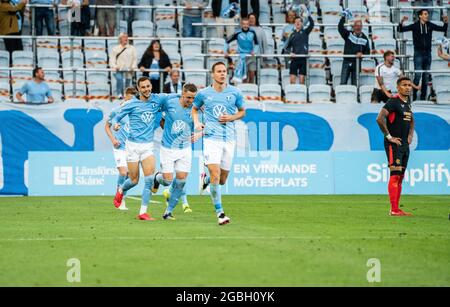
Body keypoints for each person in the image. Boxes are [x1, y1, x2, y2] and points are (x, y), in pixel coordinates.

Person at [111, 77, 178, 221]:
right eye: (143, 87)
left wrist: (195, 98)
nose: (147, 89)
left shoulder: (157, 99)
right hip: (132, 146)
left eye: (148, 86)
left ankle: (143, 212)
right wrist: (116, 124)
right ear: (139, 89)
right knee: (134, 180)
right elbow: (117, 117)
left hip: (147, 146)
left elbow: (175, 95)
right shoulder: (131, 104)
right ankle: (121, 190)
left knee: (148, 179)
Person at [192, 62, 246, 225]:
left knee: (221, 180)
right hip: (211, 139)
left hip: (229, 139)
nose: (222, 74)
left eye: (224, 71)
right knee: (216, 174)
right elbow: (194, 109)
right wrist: (196, 123)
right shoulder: (203, 94)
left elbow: (243, 111)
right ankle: (220, 213)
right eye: (219, 71)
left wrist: (231, 117)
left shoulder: (235, 92)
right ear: (213, 74)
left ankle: (206, 181)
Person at [151, 83, 203, 219]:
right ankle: (157, 178)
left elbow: (207, 124)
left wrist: (199, 134)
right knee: (167, 181)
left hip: (185, 149)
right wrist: (169, 131)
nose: (191, 101)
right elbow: (161, 121)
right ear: (182, 94)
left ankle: (168, 211)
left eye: (193, 98)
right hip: (168, 148)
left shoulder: (195, 109)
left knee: (181, 181)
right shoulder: (171, 103)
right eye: (188, 98)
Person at [376, 77, 415, 216]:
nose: (408, 87)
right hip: (394, 144)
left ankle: (397, 209)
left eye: (409, 85)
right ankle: (393, 209)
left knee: (400, 177)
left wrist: (410, 135)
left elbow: (411, 120)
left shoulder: (407, 103)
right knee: (395, 176)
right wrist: (389, 137)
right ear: (398, 87)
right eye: (404, 85)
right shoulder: (393, 102)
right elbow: (379, 119)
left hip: (404, 145)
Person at [398, 10, 449, 100]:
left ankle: (422, 98)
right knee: (418, 75)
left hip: (428, 53)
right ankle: (413, 96)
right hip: (418, 53)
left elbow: (443, 29)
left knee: (426, 76)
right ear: (420, 16)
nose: (427, 15)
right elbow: (401, 29)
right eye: (425, 14)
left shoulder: (430, 24)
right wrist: (401, 22)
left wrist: (445, 22)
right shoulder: (415, 25)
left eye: (427, 14)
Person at [104, 87, 137, 211]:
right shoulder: (116, 111)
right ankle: (120, 197)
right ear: (126, 96)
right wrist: (113, 139)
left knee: (130, 176)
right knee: (123, 172)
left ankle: (121, 196)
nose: (131, 102)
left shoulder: (134, 112)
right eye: (130, 98)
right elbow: (107, 126)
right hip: (119, 147)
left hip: (132, 147)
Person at [338, 11, 371, 86]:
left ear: (362, 27)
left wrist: (362, 54)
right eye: (356, 26)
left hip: (357, 63)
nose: (358, 27)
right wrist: (343, 18)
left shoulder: (365, 38)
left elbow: (368, 52)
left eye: (360, 26)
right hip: (346, 61)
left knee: (355, 84)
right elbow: (340, 28)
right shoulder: (348, 34)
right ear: (353, 26)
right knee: (343, 82)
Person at [225, 17, 259, 83]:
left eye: (247, 24)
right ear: (241, 25)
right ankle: (244, 90)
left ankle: (251, 90)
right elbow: (226, 41)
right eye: (244, 24)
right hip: (241, 56)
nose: (245, 26)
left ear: (249, 24)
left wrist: (254, 51)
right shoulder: (237, 33)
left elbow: (257, 44)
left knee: (252, 73)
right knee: (244, 75)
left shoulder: (253, 32)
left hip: (251, 56)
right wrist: (225, 51)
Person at [285, 14, 314, 85]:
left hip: (303, 59)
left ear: (302, 23)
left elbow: (312, 24)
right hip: (294, 59)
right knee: (292, 81)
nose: (297, 23)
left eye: (299, 21)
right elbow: (287, 47)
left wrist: (308, 15)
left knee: (302, 82)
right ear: (294, 24)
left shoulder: (305, 32)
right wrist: (290, 53)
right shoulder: (292, 35)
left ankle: (301, 95)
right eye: (296, 21)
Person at [109, 33, 137, 98]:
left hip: (129, 69)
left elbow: (135, 59)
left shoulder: (132, 48)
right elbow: (112, 59)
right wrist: (115, 66)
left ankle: (126, 95)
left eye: (127, 37)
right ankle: (119, 94)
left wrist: (133, 66)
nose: (126, 38)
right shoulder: (115, 48)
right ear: (120, 39)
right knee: (119, 80)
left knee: (128, 82)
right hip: (118, 69)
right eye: (124, 37)